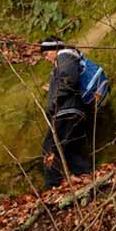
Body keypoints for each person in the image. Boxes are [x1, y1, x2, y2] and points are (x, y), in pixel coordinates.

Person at [41, 41, 91, 188]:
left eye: (46, 53)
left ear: (55, 48)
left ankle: (53, 184)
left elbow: (69, 81)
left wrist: (53, 103)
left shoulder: (65, 56)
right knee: (69, 149)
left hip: (66, 111)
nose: (46, 58)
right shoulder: (66, 60)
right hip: (74, 110)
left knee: (49, 146)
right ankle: (85, 173)